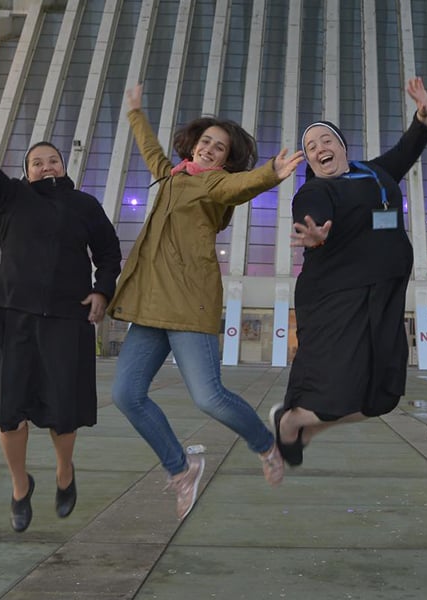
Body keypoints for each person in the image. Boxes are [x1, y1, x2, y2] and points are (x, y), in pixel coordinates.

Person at [109, 84, 304, 521]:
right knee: (126, 394)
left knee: (209, 398)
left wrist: (270, 173)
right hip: (149, 305)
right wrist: (135, 112)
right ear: (193, 144)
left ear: (224, 159)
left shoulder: (214, 183)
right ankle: (181, 468)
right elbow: (151, 151)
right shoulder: (171, 175)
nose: (210, 149)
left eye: (220, 148)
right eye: (206, 141)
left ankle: (265, 445)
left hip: (189, 303)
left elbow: (239, 186)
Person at [0, 72, 122, 533]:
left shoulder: (85, 206)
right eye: (37, 162)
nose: (46, 166)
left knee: (63, 411)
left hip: (67, 318)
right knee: (11, 413)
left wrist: (102, 289)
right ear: (26, 172)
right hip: (13, 315)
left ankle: (64, 473)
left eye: (53, 160)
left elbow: (109, 252)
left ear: (64, 167)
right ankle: (20, 485)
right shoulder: (10, 197)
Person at [271, 77, 427, 467]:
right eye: (311, 147)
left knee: (382, 395)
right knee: (336, 386)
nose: (319, 149)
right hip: (336, 298)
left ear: (342, 146)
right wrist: (313, 233)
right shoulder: (316, 190)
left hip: (384, 293)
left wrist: (423, 116)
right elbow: (309, 212)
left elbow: (408, 148)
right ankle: (292, 419)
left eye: (325, 140)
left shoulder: (375, 173)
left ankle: (303, 428)